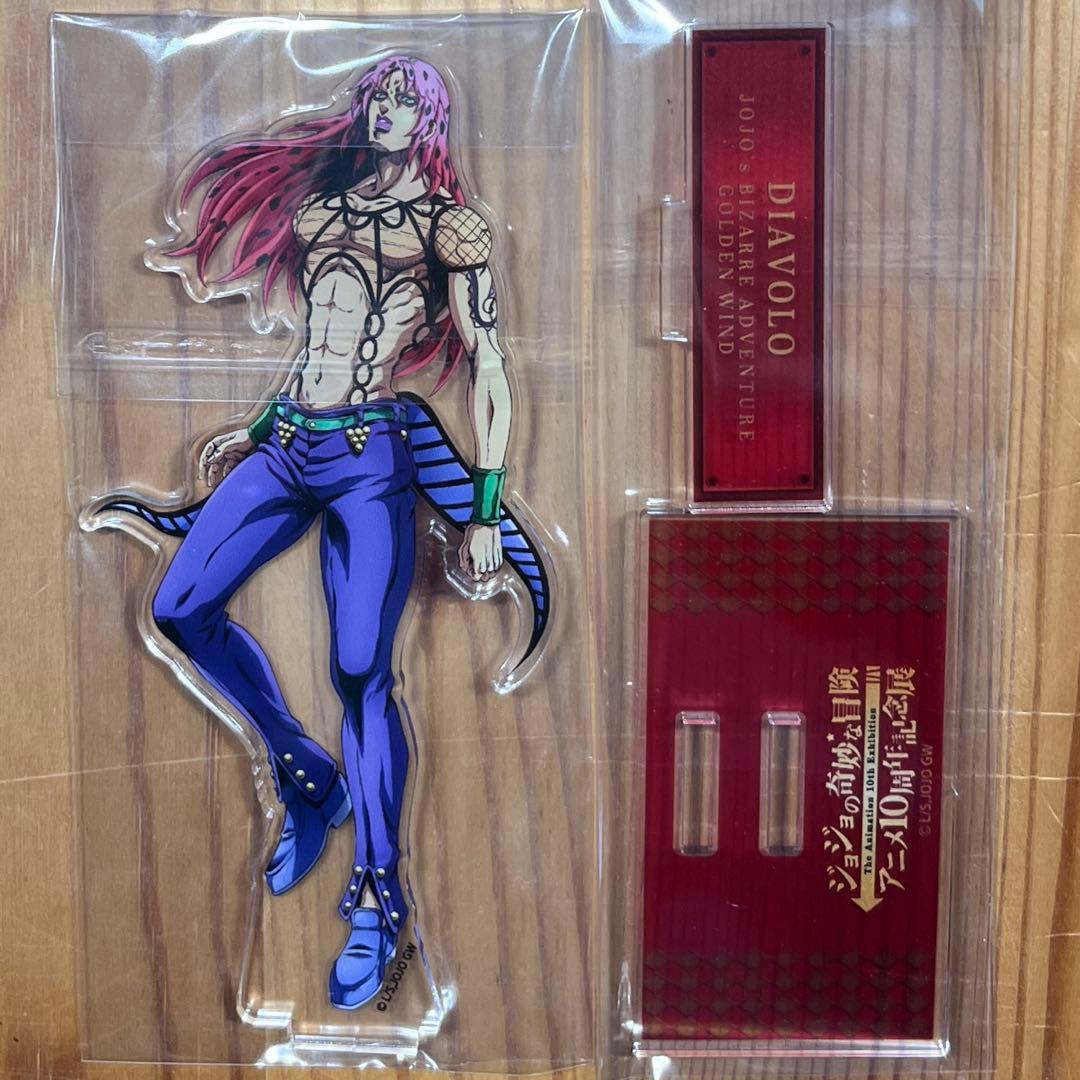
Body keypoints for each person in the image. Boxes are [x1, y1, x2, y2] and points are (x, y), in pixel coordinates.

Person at [96, 54, 549, 1010]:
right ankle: (306, 772)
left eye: (406, 101)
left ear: (429, 120)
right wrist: (259, 426)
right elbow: (316, 344)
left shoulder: (451, 228)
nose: (386, 111)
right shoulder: (324, 211)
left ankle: (381, 895)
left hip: (370, 457)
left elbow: (491, 365)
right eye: (379, 96)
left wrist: (484, 507)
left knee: (360, 672)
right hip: (291, 441)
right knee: (178, 608)